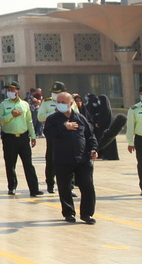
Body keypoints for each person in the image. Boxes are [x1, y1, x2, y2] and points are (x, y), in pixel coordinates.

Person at [44, 91, 98, 223]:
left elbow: (90, 136)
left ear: (71, 103)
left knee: (88, 187)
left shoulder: (80, 118)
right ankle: (69, 213)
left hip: (82, 160)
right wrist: (64, 127)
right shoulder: (52, 119)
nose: (61, 104)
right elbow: (48, 133)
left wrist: (93, 149)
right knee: (65, 188)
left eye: (64, 102)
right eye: (59, 102)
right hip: (63, 159)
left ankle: (87, 214)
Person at [0, 82, 42, 197]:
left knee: (28, 164)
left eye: (12, 89)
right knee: (10, 164)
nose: (10, 92)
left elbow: (29, 121)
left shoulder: (24, 104)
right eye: (9, 90)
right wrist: (11, 115)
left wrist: (33, 136)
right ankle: (12, 187)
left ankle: (34, 189)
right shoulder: (3, 104)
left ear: (18, 91)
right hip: (9, 138)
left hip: (23, 138)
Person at [36, 82, 66, 193]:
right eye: (54, 92)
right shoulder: (47, 102)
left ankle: (69, 186)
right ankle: (50, 183)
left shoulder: (70, 101)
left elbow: (76, 115)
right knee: (51, 160)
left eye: (58, 93)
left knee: (69, 160)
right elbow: (40, 117)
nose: (55, 94)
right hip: (53, 135)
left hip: (67, 135)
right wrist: (54, 114)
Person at [85, 93, 118, 160]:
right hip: (102, 128)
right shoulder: (102, 108)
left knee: (107, 141)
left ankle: (108, 155)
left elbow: (104, 117)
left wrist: (99, 123)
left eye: (99, 100)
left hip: (105, 127)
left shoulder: (106, 109)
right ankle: (104, 154)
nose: (98, 101)